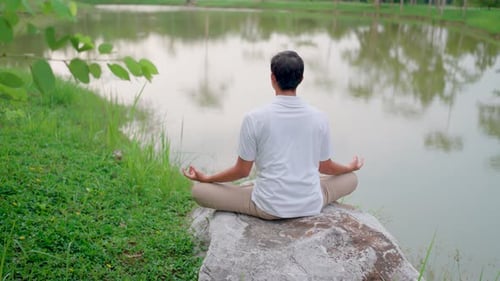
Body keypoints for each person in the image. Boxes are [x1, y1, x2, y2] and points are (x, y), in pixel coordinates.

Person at [183, 50, 364, 220]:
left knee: (200, 191)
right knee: (350, 178)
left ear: (272, 78)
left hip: (268, 207)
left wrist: (207, 178)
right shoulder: (319, 117)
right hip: (310, 204)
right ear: (301, 79)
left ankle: (252, 189)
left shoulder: (254, 118)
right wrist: (349, 167)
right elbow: (326, 167)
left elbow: (242, 170)